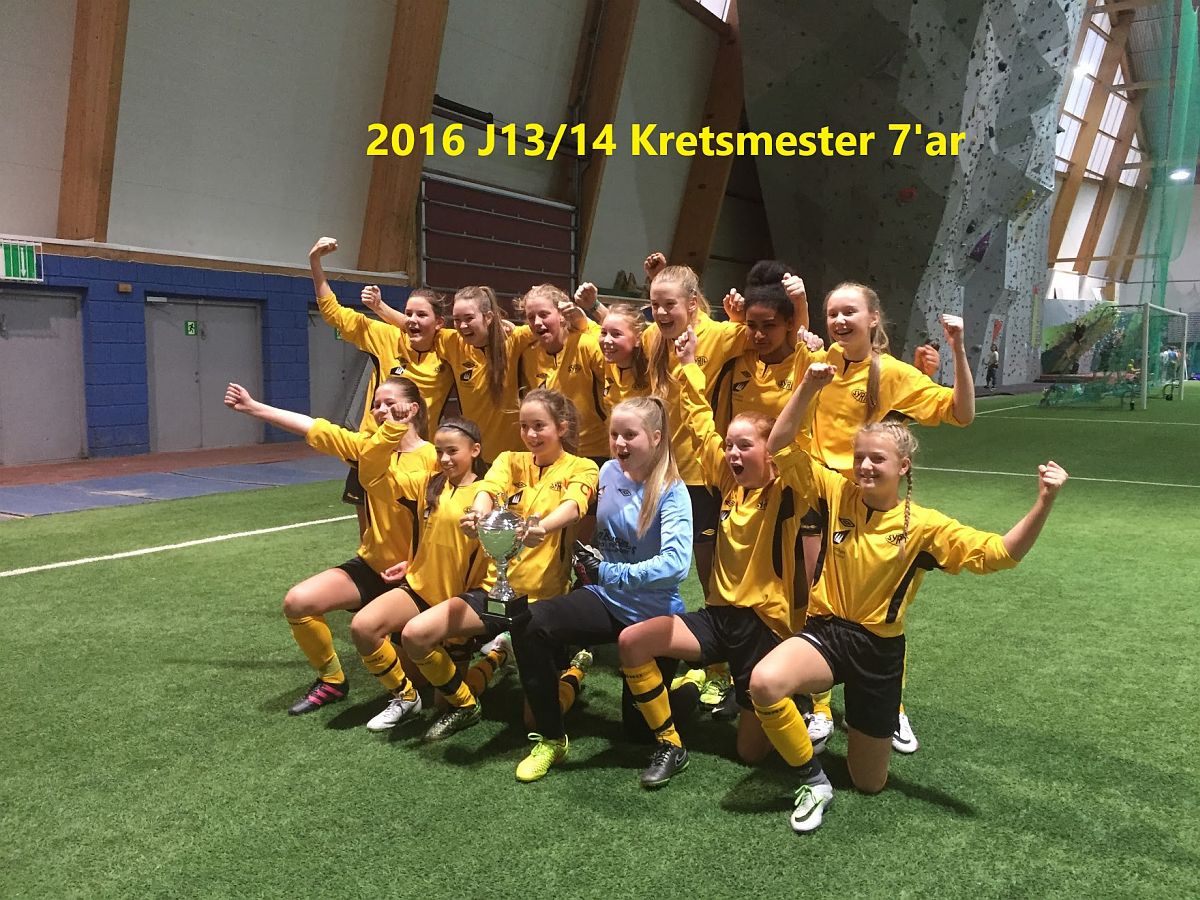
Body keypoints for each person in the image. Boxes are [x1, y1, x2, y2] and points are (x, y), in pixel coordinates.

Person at [749, 361, 1068, 832]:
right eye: (860, 456)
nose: (865, 466)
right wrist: (808, 387)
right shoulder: (835, 493)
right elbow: (779, 445)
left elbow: (1000, 554)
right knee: (764, 682)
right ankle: (813, 780)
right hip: (828, 632)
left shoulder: (924, 526)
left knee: (870, 782)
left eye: (877, 459)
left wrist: (1044, 501)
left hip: (878, 651)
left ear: (903, 466)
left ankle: (865, 737)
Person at [615, 325, 805, 789]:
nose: (733, 453)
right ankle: (670, 742)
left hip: (763, 628)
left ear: (771, 453)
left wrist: (811, 378)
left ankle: (787, 694)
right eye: (731, 445)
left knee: (750, 754)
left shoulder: (787, 490)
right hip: (719, 618)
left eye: (745, 446)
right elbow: (702, 423)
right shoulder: (728, 483)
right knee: (633, 642)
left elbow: (792, 437)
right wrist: (687, 367)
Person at [797, 283, 975, 755]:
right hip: (819, 496)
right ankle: (820, 707)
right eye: (832, 313)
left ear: (873, 318)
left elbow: (960, 414)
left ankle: (890, 705)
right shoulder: (819, 362)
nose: (839, 321)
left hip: (868, 503)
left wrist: (958, 349)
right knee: (815, 600)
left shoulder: (891, 373)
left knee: (881, 614)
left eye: (849, 312)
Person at [223, 377, 436, 715]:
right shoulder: (365, 448)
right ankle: (332, 680)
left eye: (389, 402)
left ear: (412, 409)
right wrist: (253, 407)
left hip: (418, 575)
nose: (380, 409)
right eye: (375, 404)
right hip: (372, 567)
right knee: (298, 602)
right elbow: (312, 427)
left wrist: (417, 563)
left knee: (422, 679)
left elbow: (445, 525)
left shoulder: (435, 458)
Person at [506, 395, 692, 781]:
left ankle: (687, 686)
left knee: (637, 733)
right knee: (531, 623)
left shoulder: (673, 491)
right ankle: (552, 738)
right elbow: (591, 522)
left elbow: (676, 566)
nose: (620, 443)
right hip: (604, 598)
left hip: (651, 612)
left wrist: (608, 571)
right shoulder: (606, 471)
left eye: (630, 435)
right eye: (614, 434)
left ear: (656, 437)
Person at [399, 389, 600, 742]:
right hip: (495, 590)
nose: (530, 435)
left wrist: (543, 527)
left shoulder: (583, 467)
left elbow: (573, 506)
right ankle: (469, 700)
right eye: (524, 426)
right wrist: (478, 514)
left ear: (561, 427)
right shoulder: (509, 459)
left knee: (536, 722)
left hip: (543, 603)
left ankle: (575, 669)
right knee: (415, 635)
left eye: (539, 426)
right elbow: (488, 490)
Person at [349, 415, 490, 731]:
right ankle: (406, 696)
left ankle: (495, 660)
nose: (444, 459)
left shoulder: (489, 493)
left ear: (475, 450)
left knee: (442, 701)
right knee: (363, 627)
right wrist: (392, 430)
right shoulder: (427, 483)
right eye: (439, 451)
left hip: (459, 599)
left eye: (452, 451)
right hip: (420, 588)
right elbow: (371, 476)